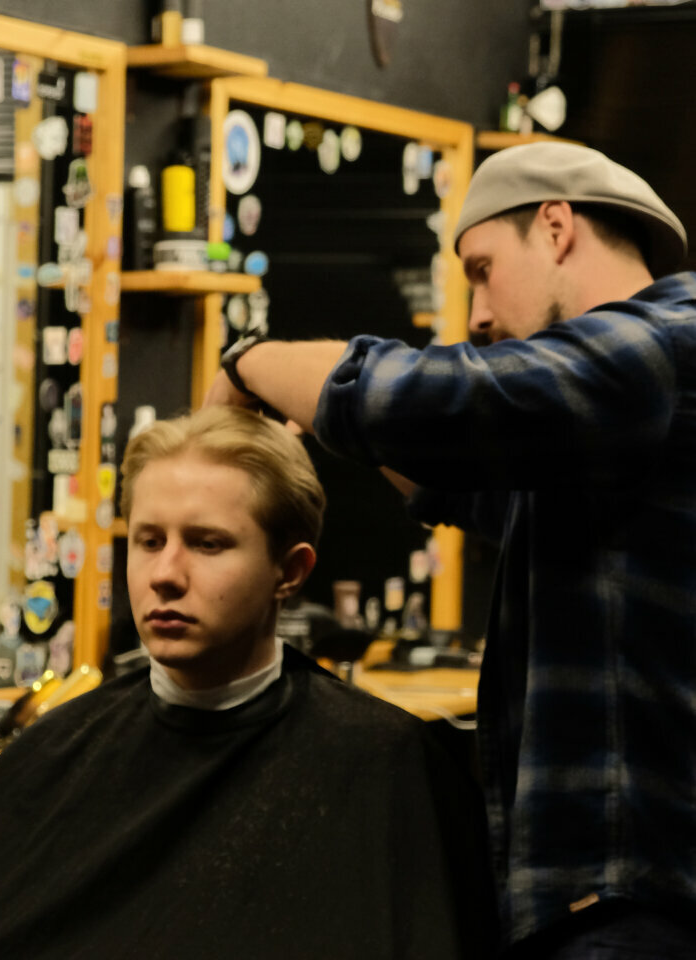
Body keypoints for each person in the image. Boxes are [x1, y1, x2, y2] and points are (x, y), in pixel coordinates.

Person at [204, 142, 696, 958]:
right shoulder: (606, 430)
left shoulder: (666, 346)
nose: (476, 314)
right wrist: (338, 424)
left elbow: (455, 400)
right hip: (616, 893)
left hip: (641, 898)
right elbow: (463, 479)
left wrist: (250, 362)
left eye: (481, 270)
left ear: (556, 226)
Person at [0, 405, 494, 960]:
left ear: (290, 571)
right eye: (149, 541)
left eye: (208, 543)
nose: (165, 575)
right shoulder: (57, 751)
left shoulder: (385, 764)